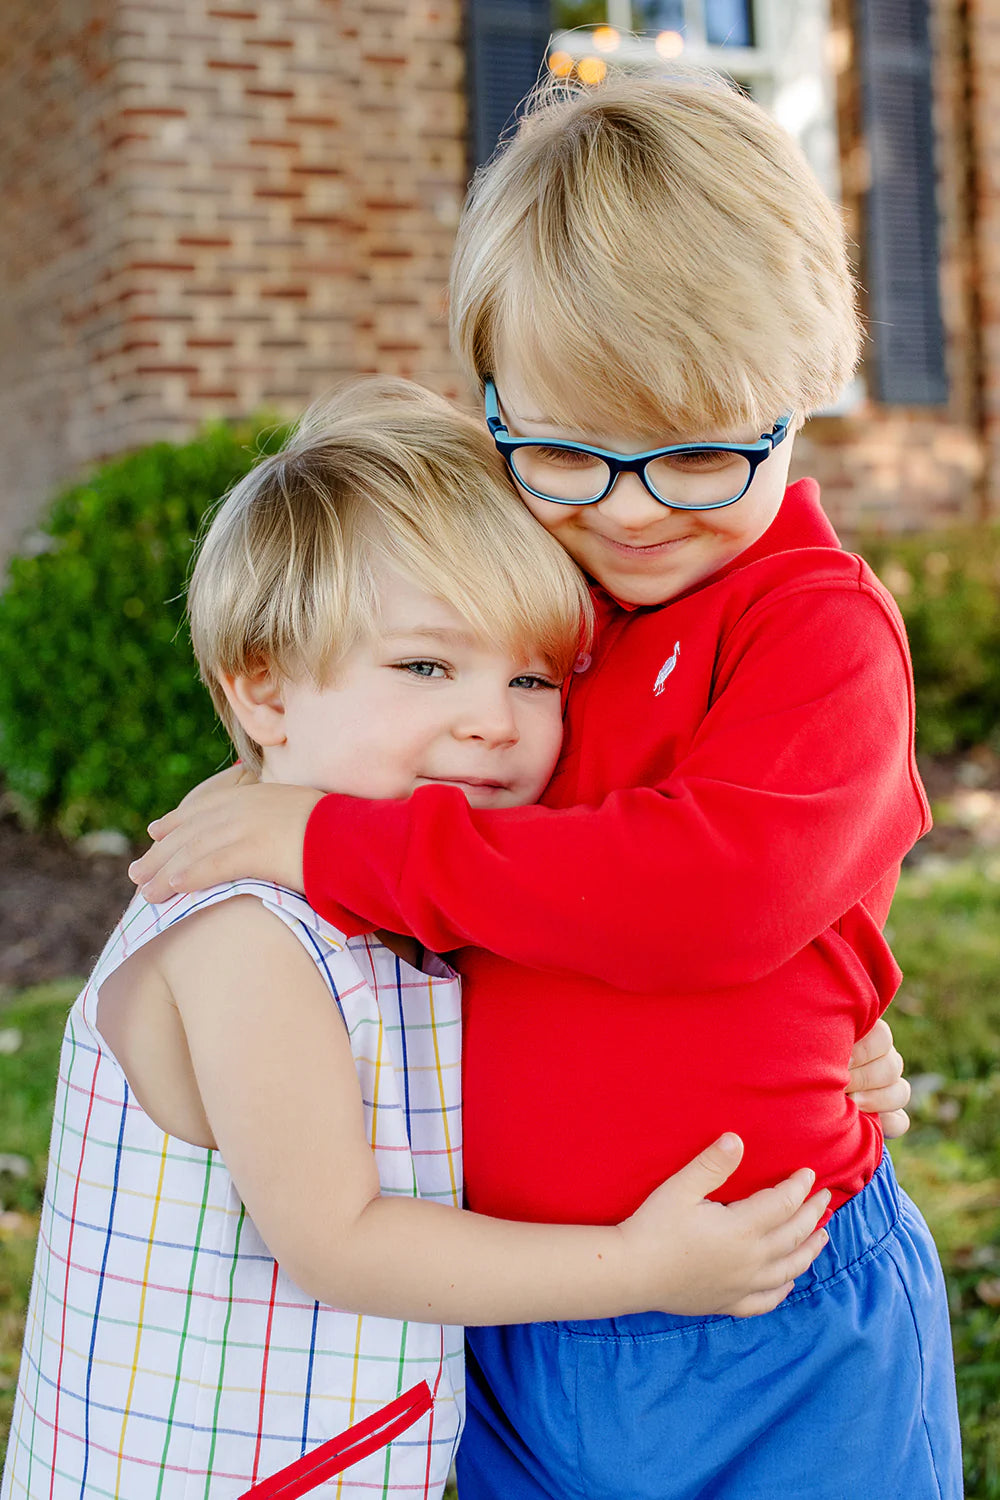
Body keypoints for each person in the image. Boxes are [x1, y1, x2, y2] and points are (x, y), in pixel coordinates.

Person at [127, 70, 960, 1499]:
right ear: (497, 394)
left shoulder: (813, 628)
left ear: (801, 389)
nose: (629, 510)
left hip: (765, 1319)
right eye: (567, 449)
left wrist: (339, 846)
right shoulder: (535, 605)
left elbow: (714, 894)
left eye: (698, 452)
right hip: (516, 1314)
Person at [1, 379, 838, 1500]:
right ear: (262, 691)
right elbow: (338, 1243)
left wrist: (827, 1043)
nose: (492, 718)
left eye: (534, 676)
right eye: (426, 667)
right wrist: (641, 1268)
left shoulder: (411, 898)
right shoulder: (251, 941)